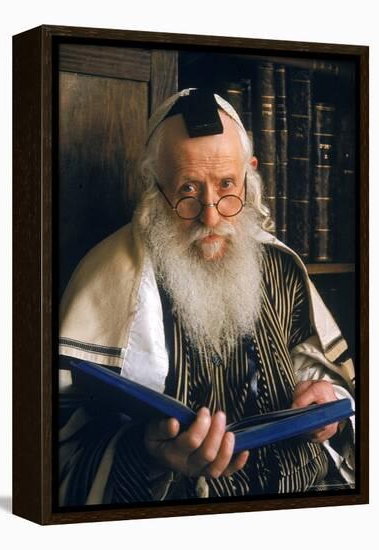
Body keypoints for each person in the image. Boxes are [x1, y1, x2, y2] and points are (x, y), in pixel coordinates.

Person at [58, 88, 355, 506]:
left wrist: (330, 406)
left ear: (249, 176)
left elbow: (330, 379)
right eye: (188, 191)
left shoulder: (280, 265)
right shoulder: (109, 276)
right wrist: (148, 453)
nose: (211, 215)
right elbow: (61, 447)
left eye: (227, 185)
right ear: (153, 185)